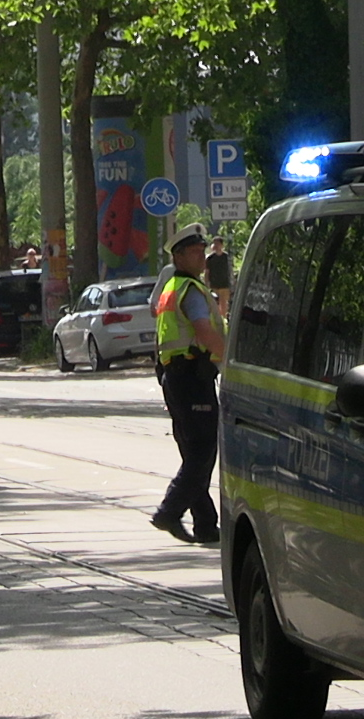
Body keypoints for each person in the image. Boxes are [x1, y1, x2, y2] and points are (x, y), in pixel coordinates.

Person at [150, 223, 225, 544]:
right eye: (195, 252)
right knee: (202, 449)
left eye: (203, 251)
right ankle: (169, 511)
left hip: (177, 376)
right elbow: (203, 331)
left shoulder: (172, 288)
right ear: (179, 257)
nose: (202, 257)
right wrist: (227, 357)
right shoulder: (190, 290)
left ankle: (205, 524)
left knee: (194, 449)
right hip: (193, 375)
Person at [204, 235, 233, 319]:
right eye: (214, 243)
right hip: (214, 284)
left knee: (224, 304)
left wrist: (232, 282)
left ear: (221, 245)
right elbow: (207, 271)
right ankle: (216, 320)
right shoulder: (210, 258)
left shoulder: (226, 257)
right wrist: (206, 284)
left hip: (224, 283)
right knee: (214, 304)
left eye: (217, 243)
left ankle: (223, 320)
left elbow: (230, 270)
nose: (216, 245)